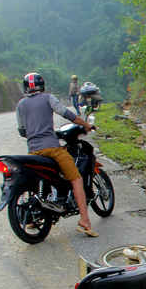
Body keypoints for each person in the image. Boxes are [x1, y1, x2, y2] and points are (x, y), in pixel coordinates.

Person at [15, 72, 98, 237]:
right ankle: (85, 221)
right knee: (76, 179)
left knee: (40, 180)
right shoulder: (48, 98)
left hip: (33, 151)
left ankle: (34, 218)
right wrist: (86, 125)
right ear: (42, 85)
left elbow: (22, 131)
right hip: (52, 149)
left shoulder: (21, 105)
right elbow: (67, 114)